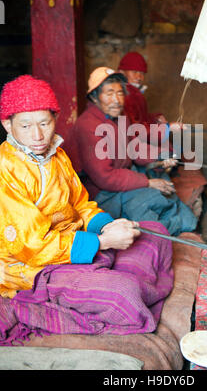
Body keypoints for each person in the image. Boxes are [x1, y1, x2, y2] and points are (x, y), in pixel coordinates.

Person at [0, 74, 174, 345]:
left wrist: (106, 225)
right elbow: (32, 245)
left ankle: (113, 274)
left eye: (45, 123)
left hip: (75, 240)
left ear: (55, 119)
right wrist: (102, 242)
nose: (37, 136)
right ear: (7, 125)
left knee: (154, 233)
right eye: (26, 126)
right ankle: (119, 281)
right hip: (32, 267)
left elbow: (81, 204)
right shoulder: (6, 171)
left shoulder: (56, 155)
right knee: (124, 294)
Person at [73, 67, 198, 237]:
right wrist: (147, 182)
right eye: (109, 93)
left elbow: (135, 148)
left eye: (120, 93)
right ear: (95, 97)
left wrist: (162, 156)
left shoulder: (120, 117)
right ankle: (163, 230)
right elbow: (105, 177)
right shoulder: (88, 125)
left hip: (123, 178)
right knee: (151, 198)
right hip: (102, 193)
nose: (116, 100)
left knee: (165, 185)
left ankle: (177, 224)